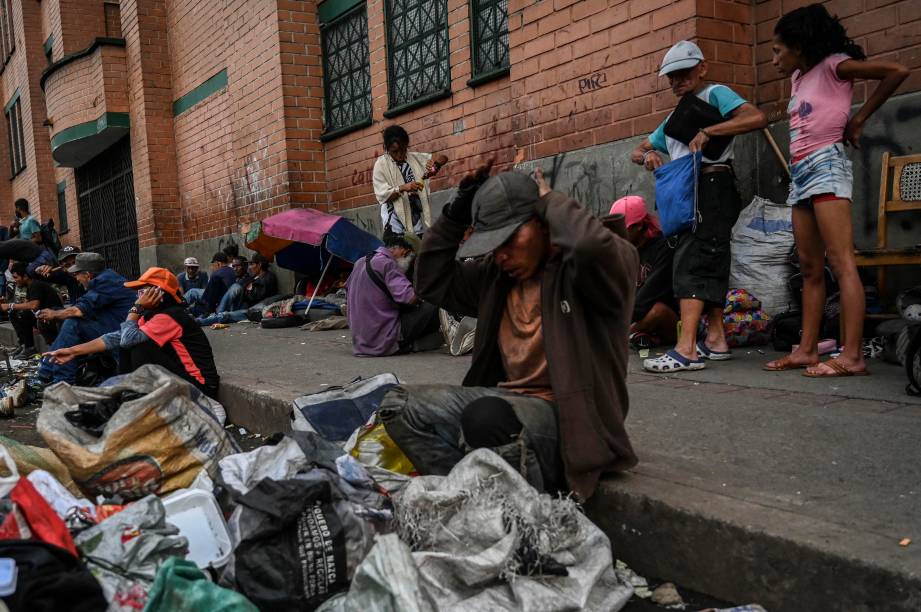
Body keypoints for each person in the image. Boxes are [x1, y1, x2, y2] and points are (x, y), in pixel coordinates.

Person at [380, 162, 639, 501]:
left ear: (543, 224)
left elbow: (592, 246)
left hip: (569, 422)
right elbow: (431, 280)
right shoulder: (496, 277)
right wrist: (457, 212)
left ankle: (524, 518)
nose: (501, 254)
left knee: (484, 417)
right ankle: (465, 498)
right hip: (507, 406)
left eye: (510, 239)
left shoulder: (587, 273)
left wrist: (549, 200)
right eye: (493, 244)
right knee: (398, 405)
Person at [764, 4, 908, 377]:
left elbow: (897, 72)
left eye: (778, 50)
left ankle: (853, 356)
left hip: (827, 165)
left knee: (841, 261)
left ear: (799, 45)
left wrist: (859, 118)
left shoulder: (835, 66)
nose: (774, 58)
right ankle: (807, 350)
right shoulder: (798, 78)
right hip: (800, 174)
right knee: (810, 267)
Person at [630, 40, 767, 372]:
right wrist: (648, 154)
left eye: (683, 73)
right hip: (686, 192)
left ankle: (686, 348)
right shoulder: (675, 117)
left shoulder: (715, 94)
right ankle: (716, 339)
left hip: (712, 185)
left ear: (701, 68)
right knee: (710, 258)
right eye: (671, 77)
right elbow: (638, 150)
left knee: (692, 261)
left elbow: (756, 117)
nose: (677, 81)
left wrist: (710, 130)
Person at [45, 268, 220, 398]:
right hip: (182, 382)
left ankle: (135, 396)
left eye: (143, 290)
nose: (139, 295)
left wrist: (135, 309)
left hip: (201, 387)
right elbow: (115, 337)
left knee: (136, 343)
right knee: (127, 338)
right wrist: (72, 351)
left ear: (159, 293)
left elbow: (129, 339)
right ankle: (129, 394)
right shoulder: (153, 315)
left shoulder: (171, 316)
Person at [33, 253, 135, 385]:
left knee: (73, 323)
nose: (76, 278)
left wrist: (54, 314)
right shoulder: (106, 278)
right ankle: (48, 372)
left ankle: (57, 379)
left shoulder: (105, 281)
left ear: (88, 274)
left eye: (77, 274)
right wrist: (56, 313)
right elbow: (85, 308)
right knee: (71, 322)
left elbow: (78, 310)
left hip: (120, 334)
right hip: (115, 330)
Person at [345, 233, 441, 357]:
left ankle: (417, 341)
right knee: (433, 303)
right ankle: (410, 344)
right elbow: (410, 298)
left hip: (361, 342)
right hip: (383, 339)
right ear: (404, 251)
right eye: (411, 257)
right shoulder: (388, 264)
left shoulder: (360, 262)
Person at [609, 196, 679, 348]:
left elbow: (648, 295)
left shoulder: (664, 248)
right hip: (638, 314)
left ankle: (624, 335)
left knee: (658, 311)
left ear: (639, 226)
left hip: (668, 319)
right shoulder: (626, 249)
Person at [372, 125, 448, 239]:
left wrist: (435, 166)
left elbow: (443, 157)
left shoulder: (414, 159)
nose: (399, 155)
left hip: (414, 220)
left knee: (416, 252)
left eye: (402, 150)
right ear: (387, 149)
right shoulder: (381, 165)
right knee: (398, 254)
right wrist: (403, 188)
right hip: (393, 224)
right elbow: (383, 197)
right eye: (395, 152)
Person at [197, 253, 278, 325]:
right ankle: (209, 315)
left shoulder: (267, 277)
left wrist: (245, 290)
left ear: (259, 265)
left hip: (253, 310)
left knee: (225, 315)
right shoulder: (253, 277)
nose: (250, 267)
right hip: (244, 306)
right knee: (235, 288)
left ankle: (201, 322)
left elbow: (255, 296)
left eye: (252, 264)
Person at [3, 262, 62, 357]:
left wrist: (10, 305)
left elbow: (33, 305)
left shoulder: (36, 285)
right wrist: (9, 305)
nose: (15, 280)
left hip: (53, 318)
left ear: (25, 276)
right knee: (14, 313)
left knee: (23, 314)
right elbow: (26, 303)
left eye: (16, 277)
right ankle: (24, 344)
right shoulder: (29, 287)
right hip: (42, 316)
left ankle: (30, 348)